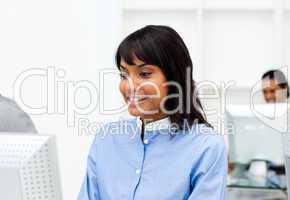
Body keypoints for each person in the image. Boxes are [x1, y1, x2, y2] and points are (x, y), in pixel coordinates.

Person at [78, 25, 227, 200]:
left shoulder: (207, 147)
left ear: (175, 77)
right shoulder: (106, 139)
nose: (129, 86)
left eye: (145, 74)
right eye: (123, 75)